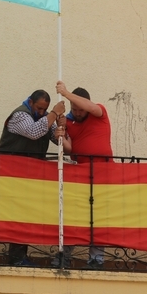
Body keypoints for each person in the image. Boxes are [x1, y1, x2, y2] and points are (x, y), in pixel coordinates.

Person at [0, 90, 66, 266]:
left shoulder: (42, 117)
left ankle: (20, 256)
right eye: (39, 108)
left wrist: (61, 130)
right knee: (15, 214)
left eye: (45, 109)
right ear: (30, 102)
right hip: (10, 174)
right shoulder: (20, 115)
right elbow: (34, 131)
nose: (42, 112)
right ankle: (16, 257)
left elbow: (53, 136)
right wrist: (54, 113)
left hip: (28, 175)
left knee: (24, 214)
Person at [54, 81, 113, 269]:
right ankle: (65, 256)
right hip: (80, 174)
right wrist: (61, 137)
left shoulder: (99, 112)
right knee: (75, 216)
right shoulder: (70, 121)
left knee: (99, 218)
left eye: (80, 109)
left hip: (103, 174)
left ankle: (96, 260)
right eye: (75, 109)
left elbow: (91, 107)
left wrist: (66, 93)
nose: (78, 112)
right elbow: (72, 149)